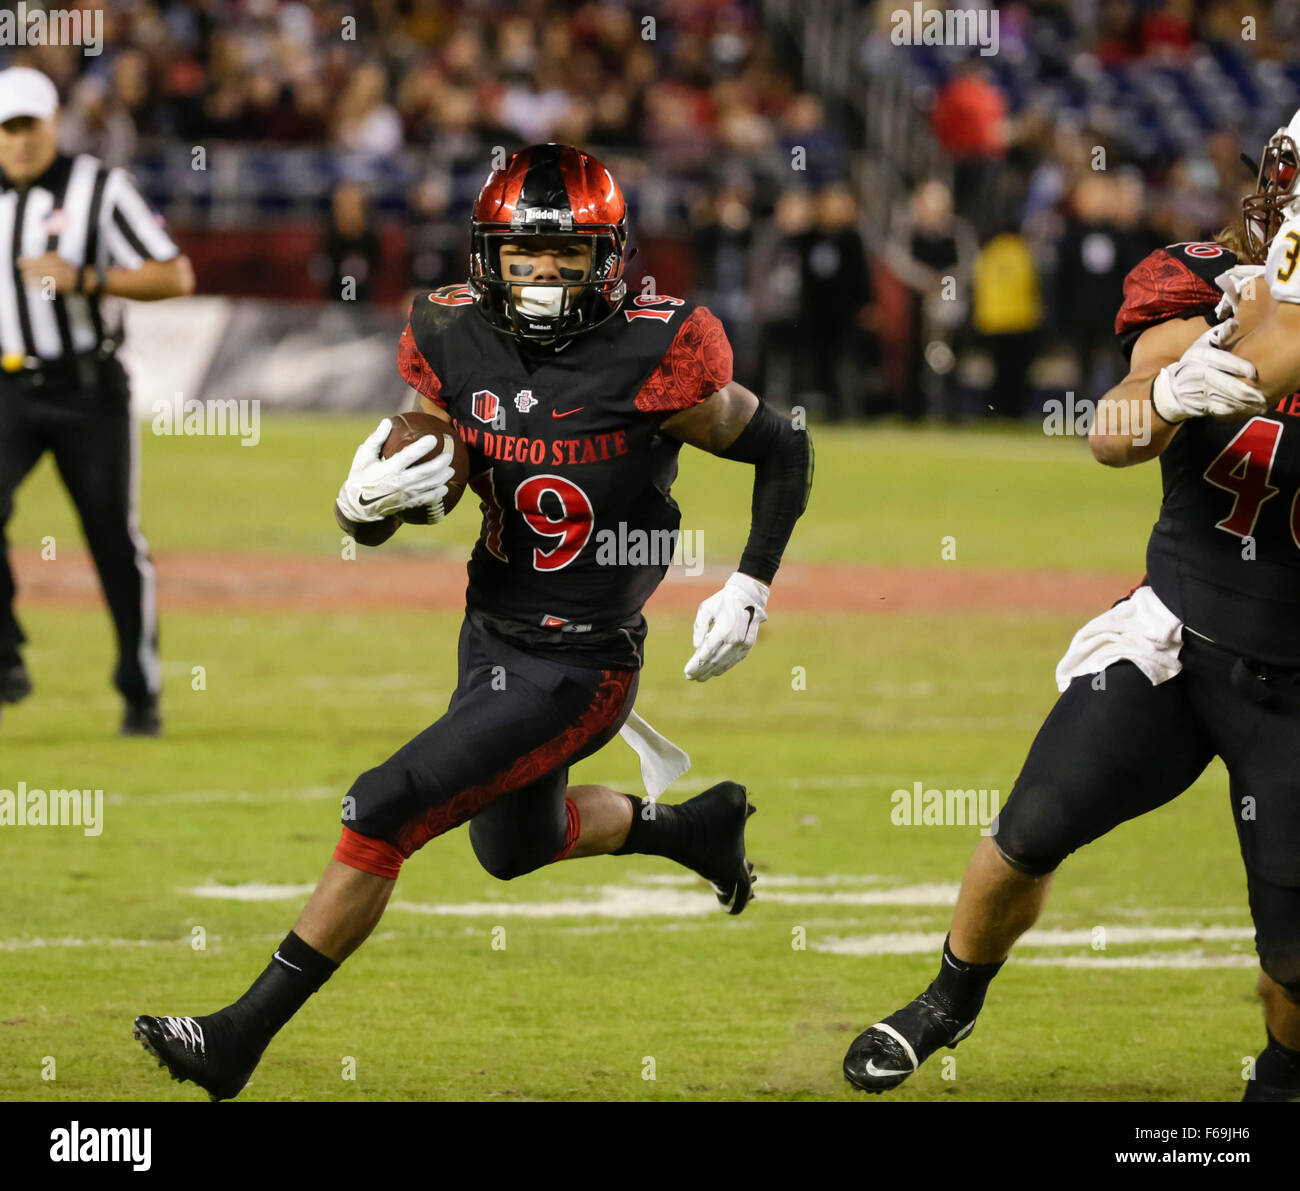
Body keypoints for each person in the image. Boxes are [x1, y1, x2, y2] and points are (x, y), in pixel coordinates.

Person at [133, 143, 814, 1100]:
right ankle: (693, 828)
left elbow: (786, 449)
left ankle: (236, 1036)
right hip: (489, 631)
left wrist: (752, 582)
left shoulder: (656, 350)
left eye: (565, 259)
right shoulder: (452, 333)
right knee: (513, 846)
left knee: (385, 803)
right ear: (485, 257)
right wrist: (361, 508)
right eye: (522, 257)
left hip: (581, 661)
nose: (540, 278)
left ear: (608, 261)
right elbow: (426, 481)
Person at [842, 113, 1300, 1102]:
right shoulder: (1208, 284)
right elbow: (1114, 429)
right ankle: (949, 997)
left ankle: (1280, 1075)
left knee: (1294, 963)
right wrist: (1169, 393)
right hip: (1179, 638)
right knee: (1030, 826)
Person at [0, 66, 194, 735]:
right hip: (7, 387)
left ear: (54, 124)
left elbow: (175, 273)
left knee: (113, 539)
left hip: (88, 388)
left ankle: (141, 690)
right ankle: (6, 659)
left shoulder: (99, 189)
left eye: (28, 125)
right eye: (6, 128)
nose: (17, 141)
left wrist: (83, 278)